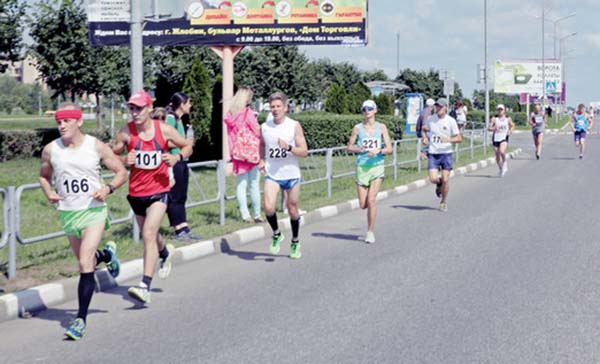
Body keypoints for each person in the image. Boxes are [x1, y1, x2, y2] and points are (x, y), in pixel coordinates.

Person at [39, 103, 128, 340]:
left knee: (84, 261)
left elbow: (121, 172)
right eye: (59, 122)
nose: (62, 126)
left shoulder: (95, 146)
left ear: (79, 121)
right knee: (84, 258)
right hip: (68, 212)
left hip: (93, 210)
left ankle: (80, 319)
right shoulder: (51, 150)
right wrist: (48, 192)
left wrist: (107, 189)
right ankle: (107, 256)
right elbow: (44, 176)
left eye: (67, 121)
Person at [112, 90, 193, 304]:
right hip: (136, 192)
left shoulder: (164, 130)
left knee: (148, 233)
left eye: (139, 108)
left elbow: (188, 145)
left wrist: (176, 158)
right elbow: (111, 156)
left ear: (149, 108)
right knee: (152, 234)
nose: (135, 113)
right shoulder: (125, 133)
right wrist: (123, 161)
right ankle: (165, 252)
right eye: (132, 108)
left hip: (159, 190)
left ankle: (144, 286)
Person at [259, 91, 308, 259]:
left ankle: (295, 241)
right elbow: (262, 144)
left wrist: (288, 148)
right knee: (268, 207)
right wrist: (261, 160)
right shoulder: (265, 127)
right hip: (272, 173)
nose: (275, 109)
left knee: (292, 208)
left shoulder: (294, 125)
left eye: (278, 106)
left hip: (291, 174)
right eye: (272, 107)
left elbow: (304, 151)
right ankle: (277, 233)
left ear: (285, 108)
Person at [347, 100, 392, 244]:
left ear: (375, 110)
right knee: (363, 204)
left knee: (372, 200)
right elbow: (349, 147)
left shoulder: (382, 127)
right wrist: (358, 149)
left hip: (377, 166)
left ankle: (370, 232)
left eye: (370, 108)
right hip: (362, 167)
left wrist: (379, 150)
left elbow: (390, 149)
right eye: (364, 109)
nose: (367, 111)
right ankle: (369, 225)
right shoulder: (357, 128)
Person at [164, 92, 202, 241]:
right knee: (175, 196)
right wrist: (184, 143)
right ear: (181, 104)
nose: (190, 105)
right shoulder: (171, 119)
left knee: (181, 196)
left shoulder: (179, 120)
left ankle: (183, 226)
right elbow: (165, 140)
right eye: (188, 103)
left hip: (182, 160)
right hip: (174, 161)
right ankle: (178, 229)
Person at [224, 87, 263, 223]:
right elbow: (257, 131)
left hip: (238, 153)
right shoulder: (248, 113)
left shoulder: (230, 115)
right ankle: (257, 214)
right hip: (251, 153)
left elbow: (230, 135)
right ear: (246, 98)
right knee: (254, 183)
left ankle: (245, 214)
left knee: (241, 185)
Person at [422, 98, 462, 212]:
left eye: (440, 106)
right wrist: (424, 137)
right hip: (434, 153)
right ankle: (438, 184)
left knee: (445, 179)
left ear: (445, 108)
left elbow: (459, 138)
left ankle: (443, 202)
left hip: (446, 153)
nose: (438, 108)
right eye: (436, 106)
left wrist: (449, 139)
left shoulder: (451, 121)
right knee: (433, 179)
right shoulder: (431, 119)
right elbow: (424, 129)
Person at [488, 104, 515, 177]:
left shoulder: (508, 119)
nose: (500, 111)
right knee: (497, 156)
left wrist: (510, 131)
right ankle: (501, 169)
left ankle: (505, 162)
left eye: (501, 109)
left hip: (504, 137)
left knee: (502, 151)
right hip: (496, 138)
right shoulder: (494, 119)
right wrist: (494, 128)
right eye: (499, 109)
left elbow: (512, 125)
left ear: (504, 110)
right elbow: (489, 128)